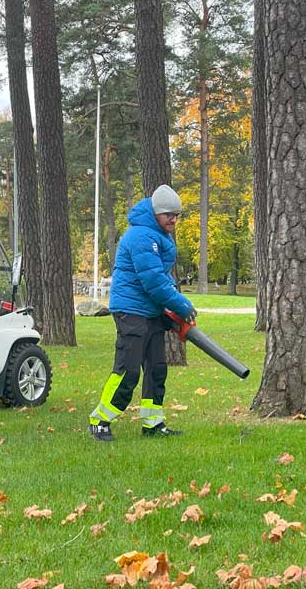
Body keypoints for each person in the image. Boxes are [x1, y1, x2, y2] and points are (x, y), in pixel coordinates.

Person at [88, 184, 196, 441]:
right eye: (168, 214)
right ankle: (100, 420)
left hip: (150, 310)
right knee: (128, 369)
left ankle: (153, 423)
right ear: (156, 212)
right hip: (131, 310)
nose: (173, 219)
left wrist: (168, 309)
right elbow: (154, 281)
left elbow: (160, 279)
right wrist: (182, 305)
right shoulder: (141, 237)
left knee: (157, 368)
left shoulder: (158, 234)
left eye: (177, 215)